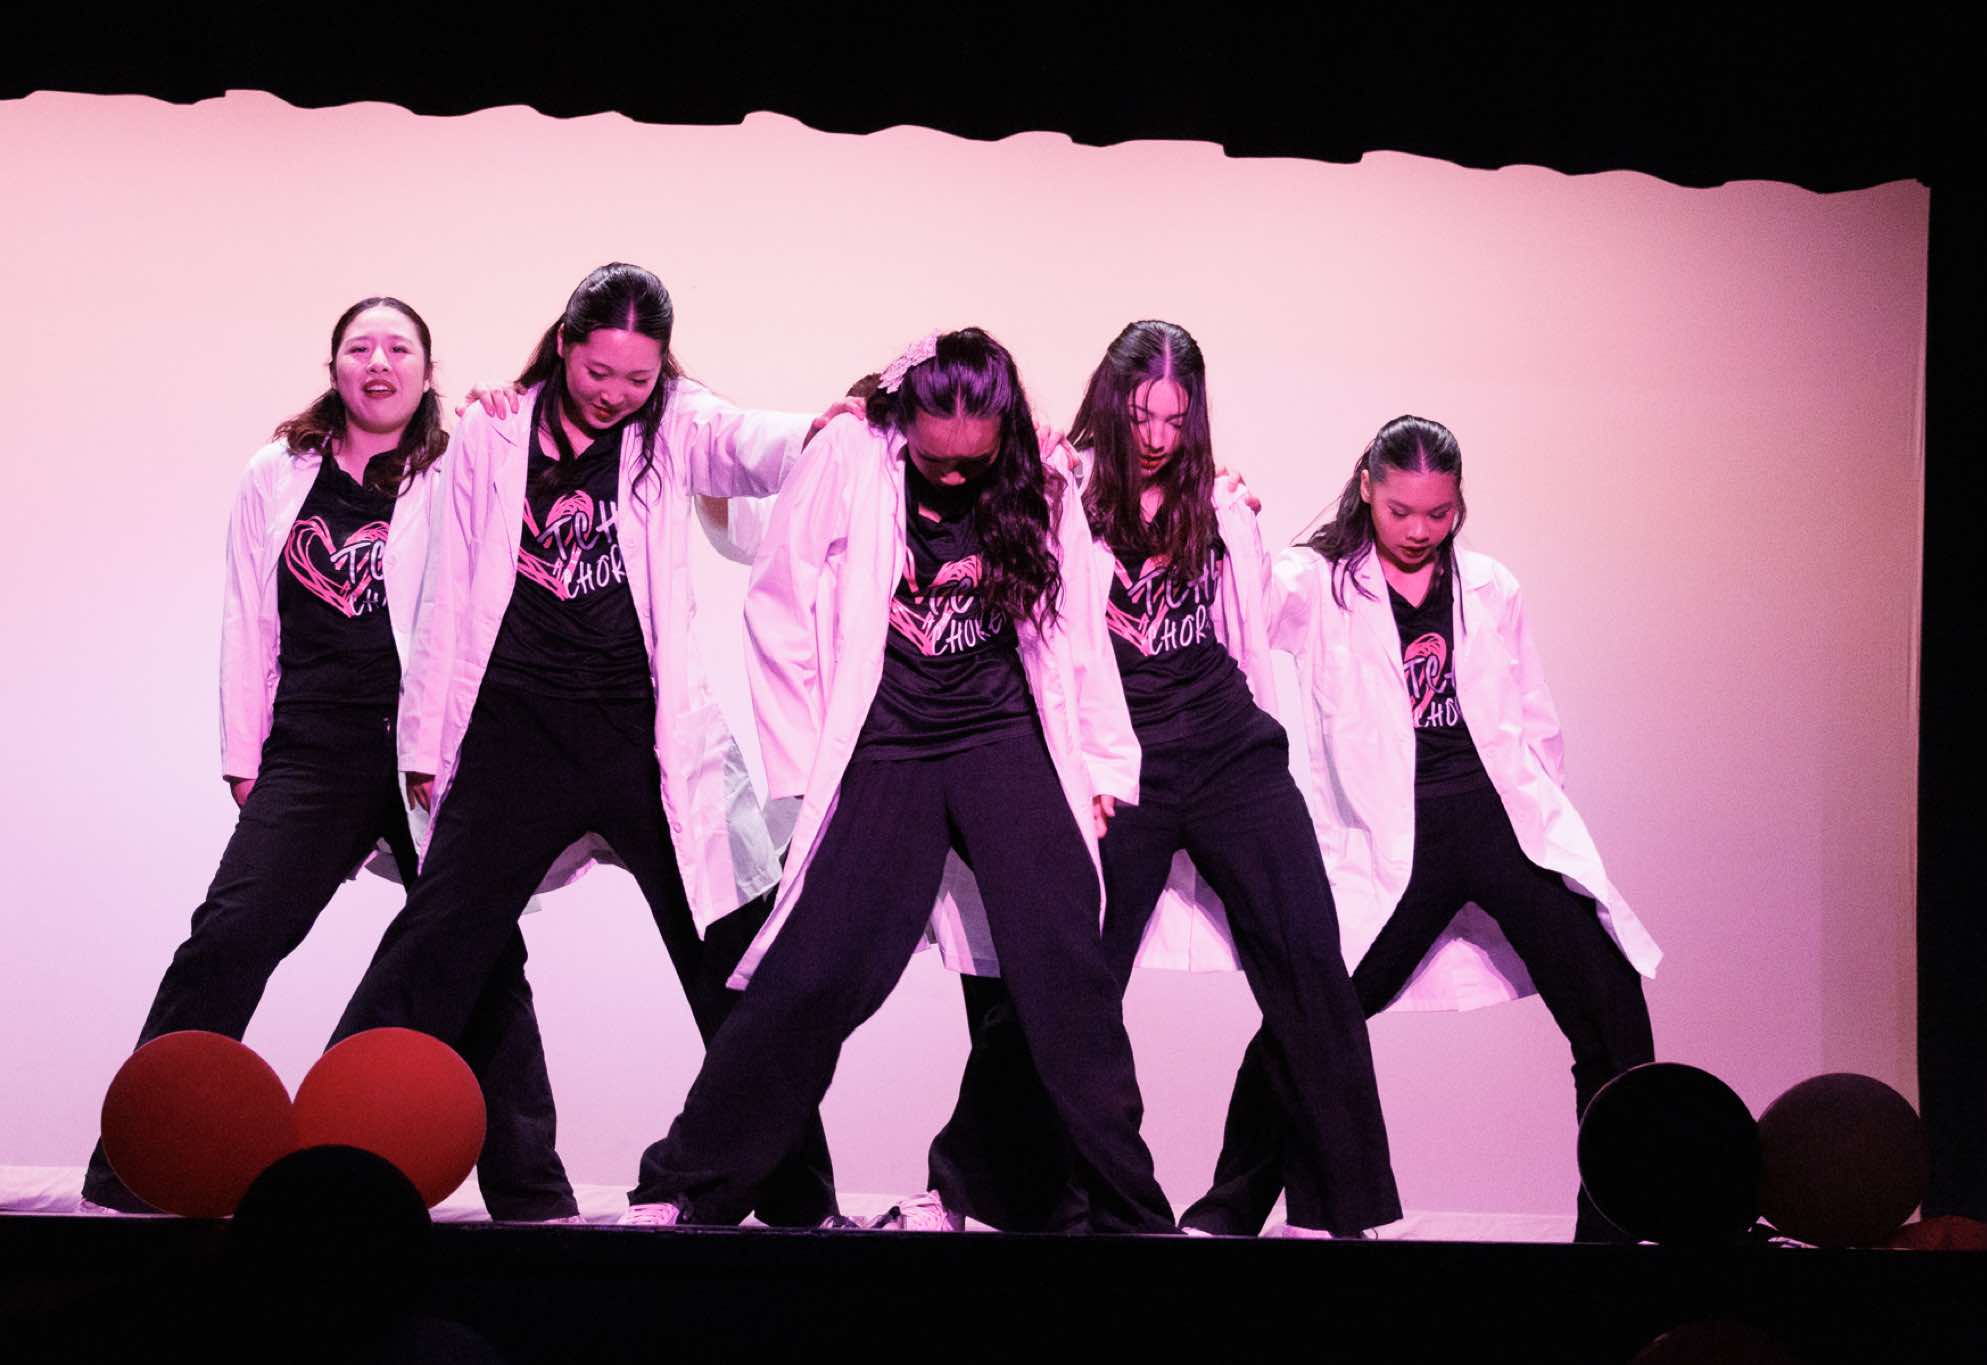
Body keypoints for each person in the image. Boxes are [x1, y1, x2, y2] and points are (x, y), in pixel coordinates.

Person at [625, 328, 1179, 1234]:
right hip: (890, 743)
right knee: (814, 972)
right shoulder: (850, 452)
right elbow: (777, 600)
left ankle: (1131, 1213)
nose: (953, 476)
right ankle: (687, 1184)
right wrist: (805, 762)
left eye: (973, 460)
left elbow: (1079, 623)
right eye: (935, 458)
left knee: (1066, 973)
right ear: (903, 420)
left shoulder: (1040, 474)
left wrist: (1105, 762)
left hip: (1005, 738)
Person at [327, 263, 842, 1227]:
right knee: (436, 944)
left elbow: (752, 444)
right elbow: (445, 591)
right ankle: (327, 1155)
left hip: (646, 737)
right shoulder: (491, 431)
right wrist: (425, 740)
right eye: (599, 371)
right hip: (514, 730)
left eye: (637, 378)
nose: (614, 394)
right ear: (564, 344)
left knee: (737, 955)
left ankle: (796, 1196)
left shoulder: (676, 423)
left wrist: (833, 429)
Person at [83, 298, 575, 1220]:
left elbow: (551, 467)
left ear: (427, 372)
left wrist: (512, 409)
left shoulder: (460, 464)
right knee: (229, 934)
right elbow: (247, 613)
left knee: (479, 957)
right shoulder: (276, 473)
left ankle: (533, 1195)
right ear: (335, 366)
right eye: (360, 347)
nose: (378, 362)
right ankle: (134, 1166)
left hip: (431, 753)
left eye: (399, 348)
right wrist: (243, 751)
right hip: (314, 744)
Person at [919, 320, 1401, 1237]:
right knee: (1067, 974)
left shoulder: (1214, 503)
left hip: (1227, 747)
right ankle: (968, 1187)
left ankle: (1345, 1210)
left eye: (1176, 420)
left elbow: (1255, 620)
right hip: (1119, 762)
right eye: (1142, 416)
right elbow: (943, 469)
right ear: (1112, 401)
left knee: (1308, 956)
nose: (1157, 437)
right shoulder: (1056, 487)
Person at [1179, 414, 1663, 1241]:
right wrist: (1229, 519)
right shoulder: (1319, 582)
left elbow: (1535, 719)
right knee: (1311, 1013)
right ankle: (1227, 1212)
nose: (1418, 530)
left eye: (1438, 512)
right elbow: (1243, 608)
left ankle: (1615, 1225)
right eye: (1401, 509)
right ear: (1367, 487)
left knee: (1612, 1004)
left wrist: (1544, 813)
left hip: (1501, 821)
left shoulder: (1491, 587)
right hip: (1394, 838)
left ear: (1458, 502)